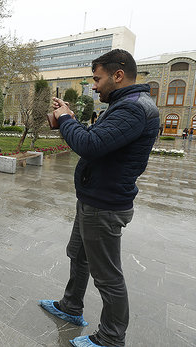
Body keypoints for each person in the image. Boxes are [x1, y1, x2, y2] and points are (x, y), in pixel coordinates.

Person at [39, 49, 159, 347]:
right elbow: (99, 138)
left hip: (104, 205)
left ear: (118, 75)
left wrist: (66, 118)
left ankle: (110, 338)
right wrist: (68, 119)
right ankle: (71, 307)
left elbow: (90, 145)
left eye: (97, 78)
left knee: (107, 276)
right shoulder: (125, 105)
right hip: (94, 198)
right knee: (78, 255)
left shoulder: (133, 109)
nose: (94, 85)